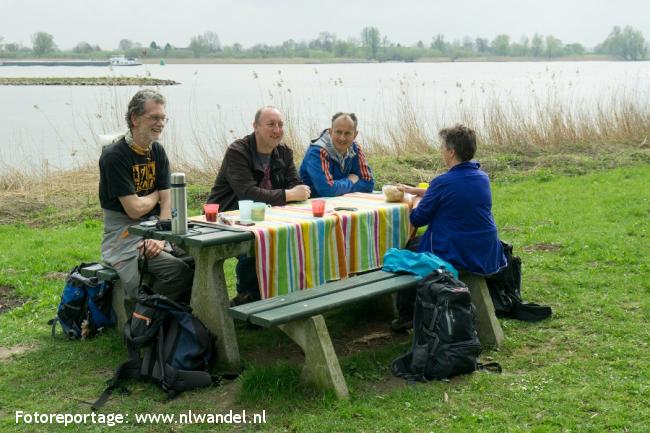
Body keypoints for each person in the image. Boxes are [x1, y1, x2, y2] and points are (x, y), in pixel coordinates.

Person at [392, 124, 507, 331]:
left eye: (443, 147)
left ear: (451, 152)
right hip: (486, 250)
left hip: (458, 253)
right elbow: (456, 191)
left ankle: (407, 315)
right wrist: (417, 190)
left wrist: (413, 201)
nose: (441, 151)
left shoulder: (442, 183)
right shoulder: (481, 177)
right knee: (414, 248)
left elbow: (418, 219)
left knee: (406, 254)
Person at [206, 106, 310, 304]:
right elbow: (248, 193)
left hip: (268, 218)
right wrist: (288, 194)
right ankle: (248, 298)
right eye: (271, 124)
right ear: (256, 127)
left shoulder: (284, 152)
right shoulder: (238, 152)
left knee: (300, 238)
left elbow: (296, 184)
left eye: (280, 125)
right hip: (228, 219)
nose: (277, 130)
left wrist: (295, 192)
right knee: (255, 248)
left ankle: (284, 296)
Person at [99, 89, 193, 302]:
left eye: (163, 118)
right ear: (135, 118)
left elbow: (169, 199)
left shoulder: (157, 151)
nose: (160, 123)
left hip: (155, 226)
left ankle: (186, 317)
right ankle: (147, 317)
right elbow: (134, 210)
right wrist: (156, 195)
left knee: (197, 257)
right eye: (154, 117)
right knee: (176, 271)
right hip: (123, 234)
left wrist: (161, 235)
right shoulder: (114, 156)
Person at [299, 112, 374, 197]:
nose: (342, 138)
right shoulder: (317, 152)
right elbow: (326, 190)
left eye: (347, 133)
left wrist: (337, 188)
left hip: (339, 203)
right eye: (338, 132)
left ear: (355, 135)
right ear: (330, 132)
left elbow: (368, 183)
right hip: (312, 204)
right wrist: (350, 181)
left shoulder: (355, 147)